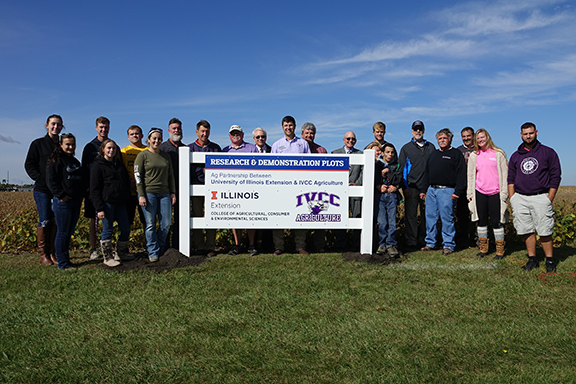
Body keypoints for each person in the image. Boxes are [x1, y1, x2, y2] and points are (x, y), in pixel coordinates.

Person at [508, 122, 561, 272]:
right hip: (520, 198)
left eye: (531, 133)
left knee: (545, 230)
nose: (528, 136)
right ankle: (532, 259)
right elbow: (510, 178)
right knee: (527, 230)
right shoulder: (516, 156)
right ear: (521, 135)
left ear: (536, 132)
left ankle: (549, 261)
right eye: (525, 134)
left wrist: (548, 198)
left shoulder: (548, 152)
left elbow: (555, 176)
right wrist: (513, 198)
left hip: (540, 197)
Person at [25, 114, 64, 265]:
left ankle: (52, 252)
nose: (56, 127)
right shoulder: (38, 144)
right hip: (42, 189)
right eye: (53, 124)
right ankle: (43, 254)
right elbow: (29, 164)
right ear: (47, 125)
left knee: (55, 221)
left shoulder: (62, 145)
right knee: (45, 219)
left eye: (59, 125)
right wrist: (40, 178)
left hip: (58, 190)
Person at [421, 128, 466, 255]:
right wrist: (423, 190)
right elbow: (427, 173)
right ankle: (430, 242)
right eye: (440, 138)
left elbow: (461, 174)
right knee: (430, 218)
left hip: (447, 191)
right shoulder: (433, 154)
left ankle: (448, 244)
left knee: (447, 218)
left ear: (450, 139)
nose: (442, 140)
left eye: (444, 138)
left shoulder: (456, 154)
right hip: (431, 190)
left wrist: (457, 191)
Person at [134, 128, 176, 262]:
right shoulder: (142, 155)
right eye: (154, 138)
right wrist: (141, 194)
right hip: (148, 193)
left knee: (166, 224)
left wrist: (173, 192)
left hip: (164, 193)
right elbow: (137, 176)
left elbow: (171, 176)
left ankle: (161, 247)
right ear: (148, 139)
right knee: (151, 224)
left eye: (159, 138)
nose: (156, 141)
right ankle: (152, 251)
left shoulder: (165, 156)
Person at [271, 115, 310, 255]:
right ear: (282, 127)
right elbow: (272, 168)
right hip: (281, 187)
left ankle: (300, 246)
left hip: (299, 186)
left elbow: (309, 165)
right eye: (286, 125)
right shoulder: (276, 145)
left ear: (295, 126)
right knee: (278, 216)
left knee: (299, 216)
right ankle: (279, 246)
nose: (288, 128)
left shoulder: (303, 144)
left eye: (291, 125)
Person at [90, 139, 133, 267]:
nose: (111, 151)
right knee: (107, 230)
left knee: (125, 228)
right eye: (109, 148)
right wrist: (99, 208)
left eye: (113, 148)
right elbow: (94, 189)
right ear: (103, 149)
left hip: (120, 202)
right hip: (106, 203)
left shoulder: (119, 165)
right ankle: (107, 257)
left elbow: (125, 182)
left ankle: (120, 252)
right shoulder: (97, 166)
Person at [467, 129, 508, 259]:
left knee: (496, 222)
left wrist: (504, 194)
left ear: (487, 137)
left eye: (482, 137)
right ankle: (483, 248)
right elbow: (471, 176)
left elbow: (505, 175)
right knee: (481, 221)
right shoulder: (474, 155)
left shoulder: (498, 154)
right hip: (479, 192)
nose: (480, 140)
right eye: (478, 138)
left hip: (495, 193)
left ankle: (500, 250)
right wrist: (470, 194)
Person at [46, 133, 84, 271]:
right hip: (62, 202)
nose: (70, 147)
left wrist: (80, 196)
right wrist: (61, 195)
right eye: (67, 144)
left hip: (75, 202)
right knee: (62, 232)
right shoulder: (55, 160)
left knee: (69, 232)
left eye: (73, 144)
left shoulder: (75, 162)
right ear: (61, 145)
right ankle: (63, 263)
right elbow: (51, 181)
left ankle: (66, 259)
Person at [398, 120, 436, 251]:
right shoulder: (406, 148)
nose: (418, 131)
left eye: (420, 129)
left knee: (428, 216)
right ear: (412, 131)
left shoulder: (431, 147)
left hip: (428, 188)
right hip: (412, 188)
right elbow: (402, 169)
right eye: (415, 129)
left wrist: (428, 187)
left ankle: (425, 240)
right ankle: (411, 241)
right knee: (411, 217)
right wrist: (405, 188)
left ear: (423, 130)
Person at [223, 125, 259, 256]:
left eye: (238, 133)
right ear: (229, 136)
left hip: (250, 187)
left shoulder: (252, 148)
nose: (235, 135)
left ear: (242, 135)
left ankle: (251, 245)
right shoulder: (225, 151)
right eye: (233, 133)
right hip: (233, 189)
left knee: (251, 217)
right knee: (235, 217)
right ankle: (237, 245)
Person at [188, 120, 221, 257]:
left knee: (211, 216)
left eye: (207, 131)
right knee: (196, 215)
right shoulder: (190, 148)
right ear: (197, 132)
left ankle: (210, 246)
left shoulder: (215, 148)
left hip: (212, 187)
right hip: (196, 186)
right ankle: (199, 246)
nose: (204, 134)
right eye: (202, 131)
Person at [82, 116, 111, 260]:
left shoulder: (113, 146)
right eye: (101, 127)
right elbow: (85, 169)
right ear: (96, 128)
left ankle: (108, 249)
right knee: (93, 220)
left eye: (106, 127)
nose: (103, 129)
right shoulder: (89, 147)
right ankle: (94, 249)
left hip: (108, 191)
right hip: (92, 190)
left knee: (109, 219)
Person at [331, 131, 363, 252]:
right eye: (348, 139)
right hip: (340, 191)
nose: (350, 141)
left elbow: (363, 172)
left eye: (353, 139)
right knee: (340, 219)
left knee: (357, 217)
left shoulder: (360, 154)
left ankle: (356, 245)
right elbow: (332, 172)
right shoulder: (335, 153)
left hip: (356, 190)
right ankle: (340, 245)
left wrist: (357, 184)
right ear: (343, 140)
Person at [159, 117, 187, 249]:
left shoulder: (185, 148)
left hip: (182, 189)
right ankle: (164, 247)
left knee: (180, 220)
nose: (176, 131)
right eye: (174, 128)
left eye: (178, 128)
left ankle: (178, 247)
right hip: (165, 190)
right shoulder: (163, 148)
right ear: (169, 130)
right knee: (165, 221)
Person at [375, 143, 402, 257]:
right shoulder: (377, 165)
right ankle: (382, 243)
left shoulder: (397, 165)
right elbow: (374, 178)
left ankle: (391, 244)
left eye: (392, 152)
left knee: (392, 222)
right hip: (380, 196)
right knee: (382, 222)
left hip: (392, 196)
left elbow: (398, 178)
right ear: (382, 153)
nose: (390, 154)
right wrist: (378, 186)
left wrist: (395, 185)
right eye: (387, 152)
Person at [120, 125, 147, 227]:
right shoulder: (123, 151)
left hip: (144, 192)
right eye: (132, 134)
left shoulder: (148, 150)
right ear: (128, 137)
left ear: (142, 135)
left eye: (137, 133)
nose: (134, 136)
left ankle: (148, 242)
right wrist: (129, 180)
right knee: (127, 221)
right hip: (129, 191)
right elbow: (120, 170)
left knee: (146, 221)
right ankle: (125, 242)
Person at [456, 127, 475, 249]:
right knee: (462, 215)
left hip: (475, 186)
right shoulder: (458, 151)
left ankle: (477, 239)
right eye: (464, 136)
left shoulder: (478, 149)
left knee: (476, 214)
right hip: (462, 186)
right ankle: (462, 240)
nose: (466, 138)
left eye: (468, 136)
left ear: (473, 136)